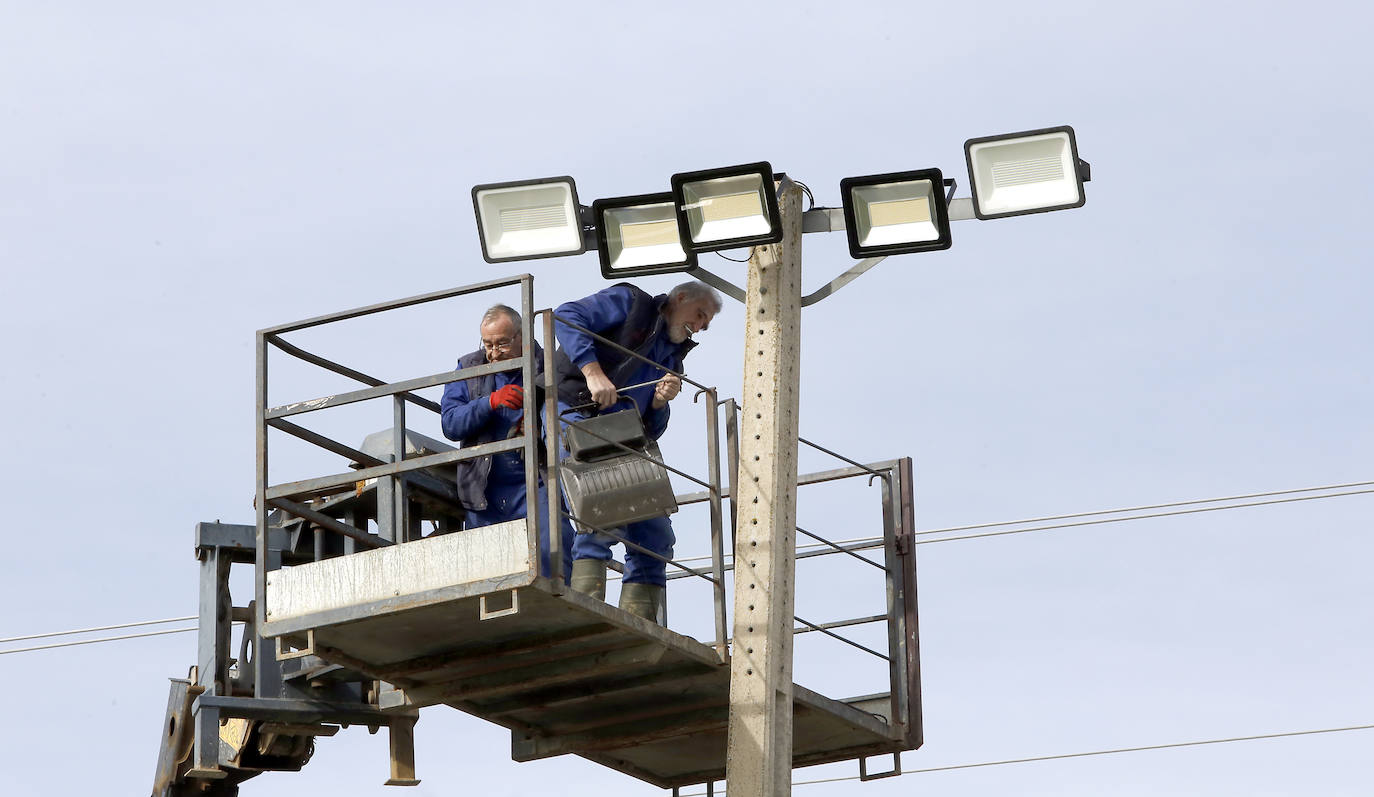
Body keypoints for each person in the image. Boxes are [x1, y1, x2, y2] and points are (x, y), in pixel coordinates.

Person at [552, 280, 722, 620]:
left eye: (706, 324)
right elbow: (565, 316)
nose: (700, 326)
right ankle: (587, 614)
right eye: (700, 315)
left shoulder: (674, 358)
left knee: (655, 535)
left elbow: (651, 429)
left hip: (625, 434)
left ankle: (640, 619)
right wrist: (593, 373)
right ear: (681, 298)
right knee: (599, 513)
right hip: (575, 410)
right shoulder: (631, 302)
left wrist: (660, 402)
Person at [440, 304, 574, 582]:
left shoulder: (550, 364)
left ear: (521, 336)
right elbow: (450, 423)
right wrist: (489, 402)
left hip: (538, 482)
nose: (493, 352)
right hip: (483, 488)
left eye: (501, 343)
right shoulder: (469, 367)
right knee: (486, 573)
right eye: (488, 344)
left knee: (552, 558)